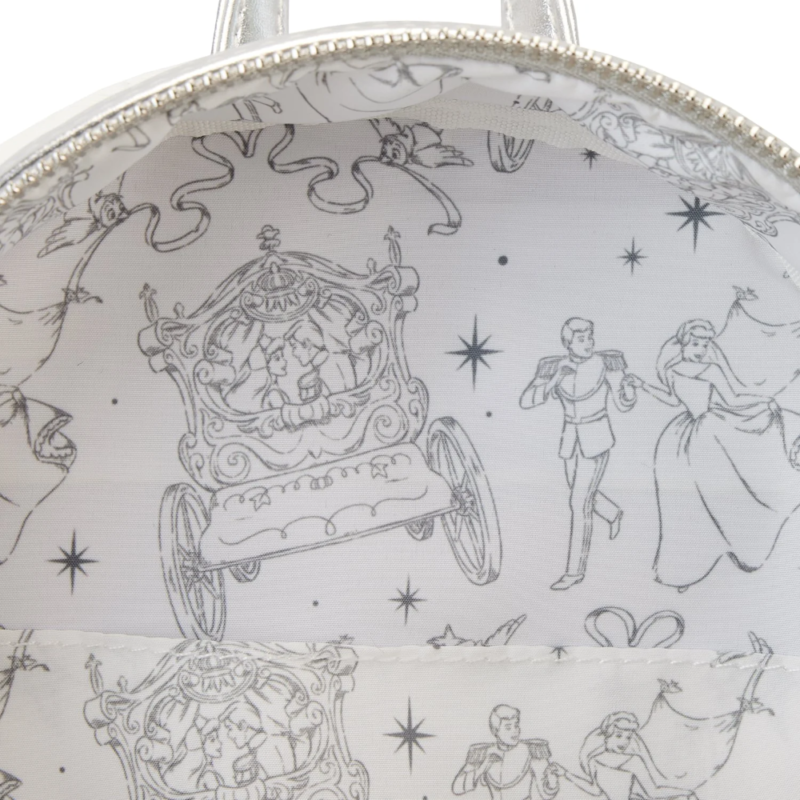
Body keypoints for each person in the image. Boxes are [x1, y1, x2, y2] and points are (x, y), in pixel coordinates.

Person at [625, 319, 800, 590]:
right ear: (683, 343)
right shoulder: (673, 369)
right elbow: (673, 400)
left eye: (705, 344)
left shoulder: (711, 368)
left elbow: (733, 398)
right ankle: (688, 563)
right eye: (695, 343)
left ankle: (743, 546)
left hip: (709, 431)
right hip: (684, 438)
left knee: (725, 494)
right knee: (687, 503)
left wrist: (763, 401)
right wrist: (642, 386)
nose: (700, 350)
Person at [520, 318, 636, 590]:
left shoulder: (608, 363)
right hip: (570, 440)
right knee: (580, 493)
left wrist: (629, 392)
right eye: (581, 339)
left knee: (578, 502)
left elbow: (624, 403)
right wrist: (557, 378)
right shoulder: (552, 366)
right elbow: (526, 401)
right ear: (568, 342)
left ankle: (574, 572)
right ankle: (613, 513)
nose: (589, 343)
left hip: (597, 439)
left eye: (590, 337)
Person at [551, 712, 696, 800]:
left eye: (628, 737)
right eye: (619, 735)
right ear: (607, 736)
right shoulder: (594, 761)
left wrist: (686, 793)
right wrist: (566, 774)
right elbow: (595, 790)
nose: (624, 742)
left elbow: (653, 791)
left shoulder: (634, 760)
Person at [452, 704, 559, 800]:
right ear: (495, 731)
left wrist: (552, 782)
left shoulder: (532, 751)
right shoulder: (483, 753)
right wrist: (482, 768)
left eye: (516, 725)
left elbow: (546, 795)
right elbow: (457, 788)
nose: (515, 731)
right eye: (508, 727)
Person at [287, 319, 356, 400]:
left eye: (294, 347)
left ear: (307, 344)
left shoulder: (326, 369)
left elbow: (340, 400)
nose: (293, 353)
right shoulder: (336, 358)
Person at [223, 332, 290, 413]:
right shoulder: (269, 387)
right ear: (265, 364)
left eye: (282, 357)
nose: (284, 362)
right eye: (277, 359)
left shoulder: (271, 387)